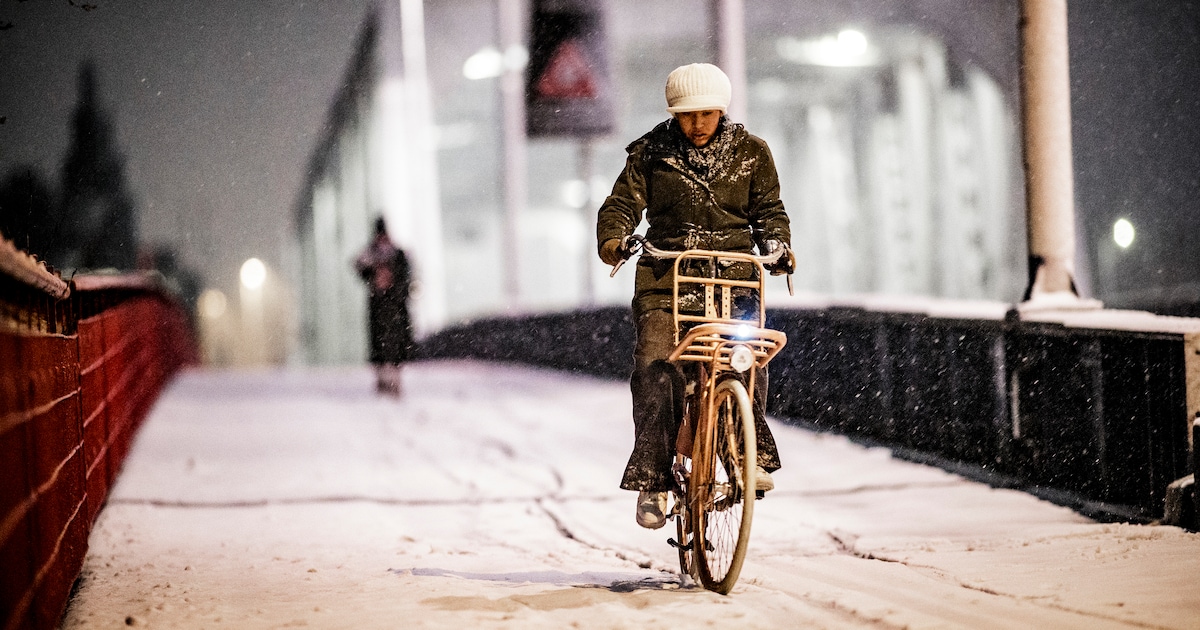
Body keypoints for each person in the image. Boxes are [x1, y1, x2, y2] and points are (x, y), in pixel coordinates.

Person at [596, 63, 795, 529]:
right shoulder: (651, 154)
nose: (697, 124)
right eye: (687, 115)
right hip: (666, 284)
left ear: (721, 111)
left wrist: (778, 246)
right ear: (674, 115)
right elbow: (621, 205)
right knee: (657, 368)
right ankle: (653, 478)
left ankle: (744, 455)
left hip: (734, 283)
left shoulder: (752, 153)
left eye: (706, 113)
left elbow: (769, 211)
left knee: (746, 362)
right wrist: (615, 240)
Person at [355, 216, 414, 396]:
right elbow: (360, 267)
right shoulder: (374, 254)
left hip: (394, 307)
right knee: (381, 344)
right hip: (381, 307)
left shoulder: (396, 254)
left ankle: (393, 380)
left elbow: (405, 276)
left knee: (394, 344)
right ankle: (384, 380)